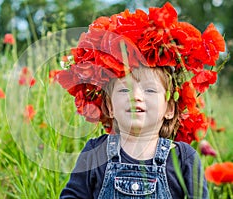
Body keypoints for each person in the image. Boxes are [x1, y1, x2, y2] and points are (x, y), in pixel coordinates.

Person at [56, 2, 225, 198]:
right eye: (125, 89)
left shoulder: (183, 157)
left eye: (150, 90)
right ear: (109, 107)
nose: (135, 96)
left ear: (169, 108)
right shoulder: (96, 151)